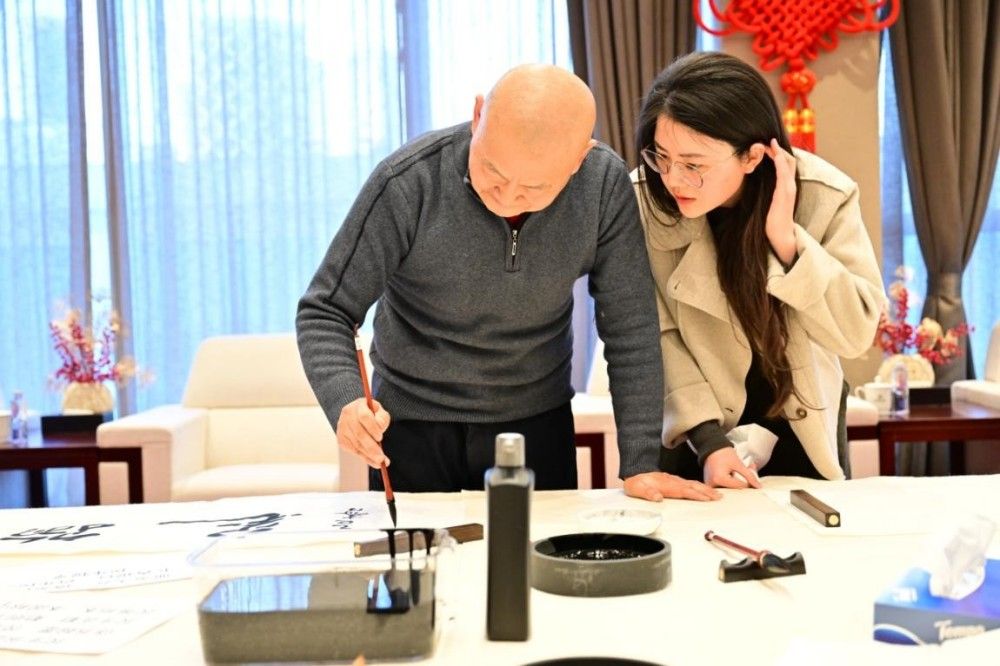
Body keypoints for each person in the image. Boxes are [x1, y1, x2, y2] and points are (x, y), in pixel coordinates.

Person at [297, 64, 719, 502]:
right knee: (421, 550)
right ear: (478, 115)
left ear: (579, 159)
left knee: (541, 548)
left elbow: (631, 327)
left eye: (534, 188)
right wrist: (346, 400)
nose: (506, 197)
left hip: (538, 425)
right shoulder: (408, 182)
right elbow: (325, 309)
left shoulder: (601, 186)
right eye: (493, 171)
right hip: (412, 426)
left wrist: (640, 463)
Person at [631, 52, 885, 488]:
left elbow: (855, 333)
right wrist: (709, 441)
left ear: (751, 157)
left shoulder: (824, 195)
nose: (672, 179)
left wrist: (787, 242)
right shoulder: (645, 201)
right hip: (694, 427)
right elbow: (656, 333)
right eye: (662, 157)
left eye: (693, 165)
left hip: (803, 421)